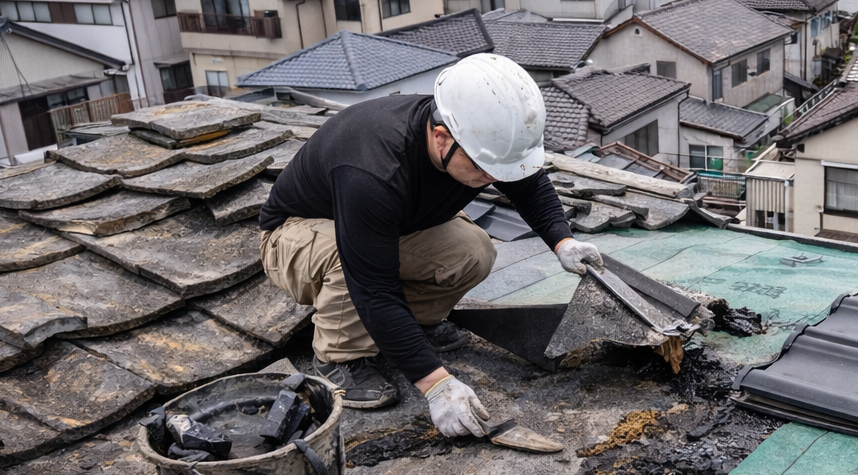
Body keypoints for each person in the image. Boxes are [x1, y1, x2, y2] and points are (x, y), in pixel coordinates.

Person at [258, 54, 604, 443]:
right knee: (352, 262)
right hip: (293, 236)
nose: (493, 179)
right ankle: (338, 355)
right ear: (441, 138)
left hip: (388, 225)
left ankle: (406, 330)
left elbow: (528, 185)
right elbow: (374, 288)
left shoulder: (473, 130)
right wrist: (436, 385)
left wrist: (563, 240)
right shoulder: (373, 169)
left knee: (474, 250)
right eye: (486, 170)